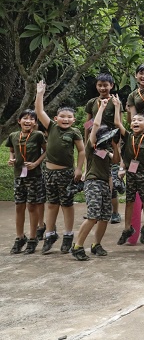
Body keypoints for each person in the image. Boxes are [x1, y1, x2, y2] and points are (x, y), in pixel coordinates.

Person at [35, 80, 85, 254]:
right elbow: (39, 111)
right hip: (49, 173)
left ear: (74, 119)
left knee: (67, 204)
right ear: (56, 119)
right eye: (62, 116)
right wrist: (40, 93)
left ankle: (68, 235)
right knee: (51, 204)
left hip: (66, 173)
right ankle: (50, 234)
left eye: (69, 117)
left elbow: (82, 151)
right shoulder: (51, 127)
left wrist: (79, 169)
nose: (66, 119)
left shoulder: (74, 132)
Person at [71, 97, 121, 260]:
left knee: (105, 217)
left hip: (105, 184)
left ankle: (96, 244)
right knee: (93, 216)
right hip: (93, 183)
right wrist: (102, 108)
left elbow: (116, 161)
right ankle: (77, 246)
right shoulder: (91, 147)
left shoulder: (106, 151)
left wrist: (115, 145)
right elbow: (96, 125)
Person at [113, 110, 144, 246]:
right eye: (133, 121)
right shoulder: (128, 137)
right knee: (129, 201)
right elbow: (117, 123)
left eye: (139, 120)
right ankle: (127, 229)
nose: (136, 122)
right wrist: (117, 106)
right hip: (131, 174)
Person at [6, 109, 47, 254]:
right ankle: (19, 237)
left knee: (32, 206)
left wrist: (36, 163)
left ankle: (32, 238)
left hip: (34, 176)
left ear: (35, 122)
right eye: (25, 118)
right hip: (19, 176)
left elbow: (46, 151)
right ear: (19, 121)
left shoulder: (38, 135)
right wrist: (11, 159)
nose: (28, 121)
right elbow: (12, 150)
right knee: (19, 206)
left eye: (31, 119)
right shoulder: (13, 136)